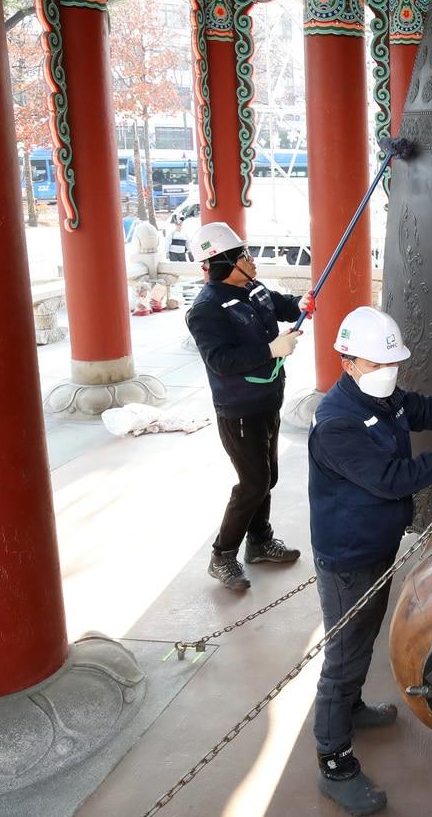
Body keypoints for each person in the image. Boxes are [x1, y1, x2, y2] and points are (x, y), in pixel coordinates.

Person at [306, 305, 432, 815]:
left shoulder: (383, 395)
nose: (390, 373)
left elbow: (421, 408)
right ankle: (334, 760)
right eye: (379, 364)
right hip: (347, 555)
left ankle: (350, 708)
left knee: (363, 639)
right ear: (350, 362)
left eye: (393, 363)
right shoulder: (337, 424)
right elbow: (392, 478)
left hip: (376, 544)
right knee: (344, 656)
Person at [185, 221, 313, 592]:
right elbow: (221, 360)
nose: (250, 260)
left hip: (268, 398)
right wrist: (270, 350)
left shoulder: (252, 288)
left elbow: (278, 304)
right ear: (224, 263)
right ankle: (222, 555)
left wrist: (299, 304)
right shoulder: (205, 310)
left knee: (267, 476)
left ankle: (259, 542)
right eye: (242, 255)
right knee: (253, 482)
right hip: (239, 408)